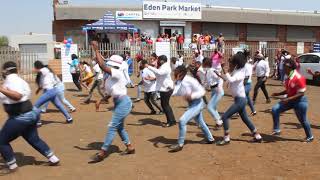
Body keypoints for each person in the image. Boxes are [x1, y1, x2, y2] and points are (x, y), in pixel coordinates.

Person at [0, 61, 60, 173]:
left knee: (1, 141)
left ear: (6, 71)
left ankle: (12, 166)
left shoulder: (12, 80)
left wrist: (1, 89)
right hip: (31, 114)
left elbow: (17, 96)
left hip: (20, 117)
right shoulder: (18, 80)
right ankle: (53, 158)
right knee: (33, 139)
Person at [90, 41, 135, 162]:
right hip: (119, 103)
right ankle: (130, 147)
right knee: (119, 127)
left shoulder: (118, 73)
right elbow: (110, 93)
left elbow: (103, 66)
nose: (108, 67)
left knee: (112, 126)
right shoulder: (110, 78)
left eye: (110, 65)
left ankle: (102, 152)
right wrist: (101, 100)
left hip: (124, 103)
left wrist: (96, 50)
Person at [214, 51, 263, 145]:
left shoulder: (240, 72)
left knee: (224, 117)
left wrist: (226, 70)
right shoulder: (236, 71)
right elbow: (228, 80)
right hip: (239, 99)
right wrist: (221, 73)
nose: (230, 64)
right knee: (245, 118)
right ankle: (257, 136)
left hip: (240, 100)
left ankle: (226, 138)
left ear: (236, 64)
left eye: (231, 63)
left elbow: (231, 79)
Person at [169, 65, 215, 152]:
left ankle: (180, 144)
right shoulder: (180, 81)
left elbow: (202, 91)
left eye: (176, 73)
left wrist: (191, 96)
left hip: (197, 103)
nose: (174, 74)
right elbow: (178, 91)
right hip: (192, 104)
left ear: (181, 74)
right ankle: (210, 139)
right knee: (200, 122)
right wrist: (170, 91)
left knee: (182, 121)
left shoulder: (190, 80)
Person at [271, 58, 313, 142]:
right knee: (275, 109)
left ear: (290, 67)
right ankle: (277, 130)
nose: (283, 67)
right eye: (283, 65)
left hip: (300, 101)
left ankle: (310, 136)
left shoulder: (298, 77)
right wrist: (278, 94)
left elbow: (301, 93)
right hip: (290, 100)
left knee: (302, 120)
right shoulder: (288, 76)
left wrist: (288, 98)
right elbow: (289, 89)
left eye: (285, 66)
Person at [146, 55, 176, 127]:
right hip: (165, 88)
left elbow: (160, 73)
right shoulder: (163, 66)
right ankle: (172, 120)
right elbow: (158, 74)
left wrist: (149, 67)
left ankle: (170, 121)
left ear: (162, 60)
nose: (158, 61)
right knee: (165, 105)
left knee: (165, 105)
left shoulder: (165, 66)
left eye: (158, 60)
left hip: (166, 89)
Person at [202, 57, 224, 127]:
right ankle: (219, 120)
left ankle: (219, 121)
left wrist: (219, 88)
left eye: (203, 63)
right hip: (213, 90)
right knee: (213, 107)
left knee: (209, 107)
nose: (202, 64)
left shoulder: (212, 71)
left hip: (217, 90)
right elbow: (207, 83)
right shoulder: (207, 71)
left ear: (205, 64)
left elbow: (220, 78)